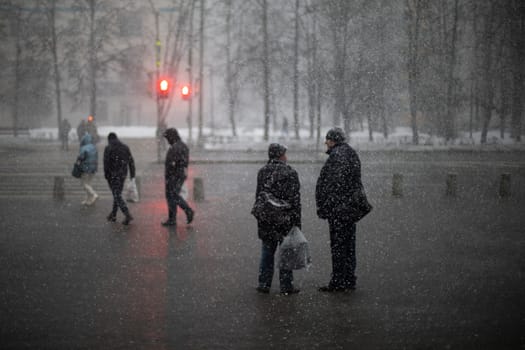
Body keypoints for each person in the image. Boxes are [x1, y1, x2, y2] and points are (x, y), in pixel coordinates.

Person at [315, 127, 363, 292]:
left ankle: (338, 281)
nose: (325, 142)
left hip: (339, 210)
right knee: (349, 245)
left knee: (338, 246)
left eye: (327, 139)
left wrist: (327, 205)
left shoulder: (337, 156)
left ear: (333, 140)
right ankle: (349, 279)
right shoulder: (350, 153)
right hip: (349, 209)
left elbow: (334, 185)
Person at [254, 143, 301, 295]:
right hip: (285, 219)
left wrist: (261, 218)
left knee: (267, 251)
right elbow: (295, 201)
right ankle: (286, 286)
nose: (286, 157)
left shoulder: (262, 172)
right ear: (280, 155)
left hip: (267, 219)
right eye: (284, 154)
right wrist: (296, 223)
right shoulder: (290, 172)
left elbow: (259, 197)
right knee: (285, 252)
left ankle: (264, 283)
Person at [162, 128, 194, 227]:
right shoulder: (183, 146)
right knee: (173, 195)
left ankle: (187, 211)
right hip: (180, 174)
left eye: (167, 138)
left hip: (173, 175)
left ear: (172, 137)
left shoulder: (174, 148)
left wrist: (169, 175)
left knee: (172, 196)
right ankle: (172, 219)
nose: (167, 140)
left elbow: (171, 164)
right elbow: (184, 162)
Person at [103, 132, 135, 225]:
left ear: (109, 140)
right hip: (122, 175)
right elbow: (131, 162)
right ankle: (113, 214)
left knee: (117, 195)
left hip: (113, 175)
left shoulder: (108, 148)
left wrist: (107, 175)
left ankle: (127, 214)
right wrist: (132, 174)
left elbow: (106, 164)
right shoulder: (125, 147)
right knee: (117, 194)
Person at [77, 133, 98, 205]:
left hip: (86, 168)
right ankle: (88, 200)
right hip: (93, 169)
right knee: (88, 184)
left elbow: (81, 158)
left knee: (83, 184)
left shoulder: (83, 148)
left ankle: (94, 194)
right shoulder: (93, 147)